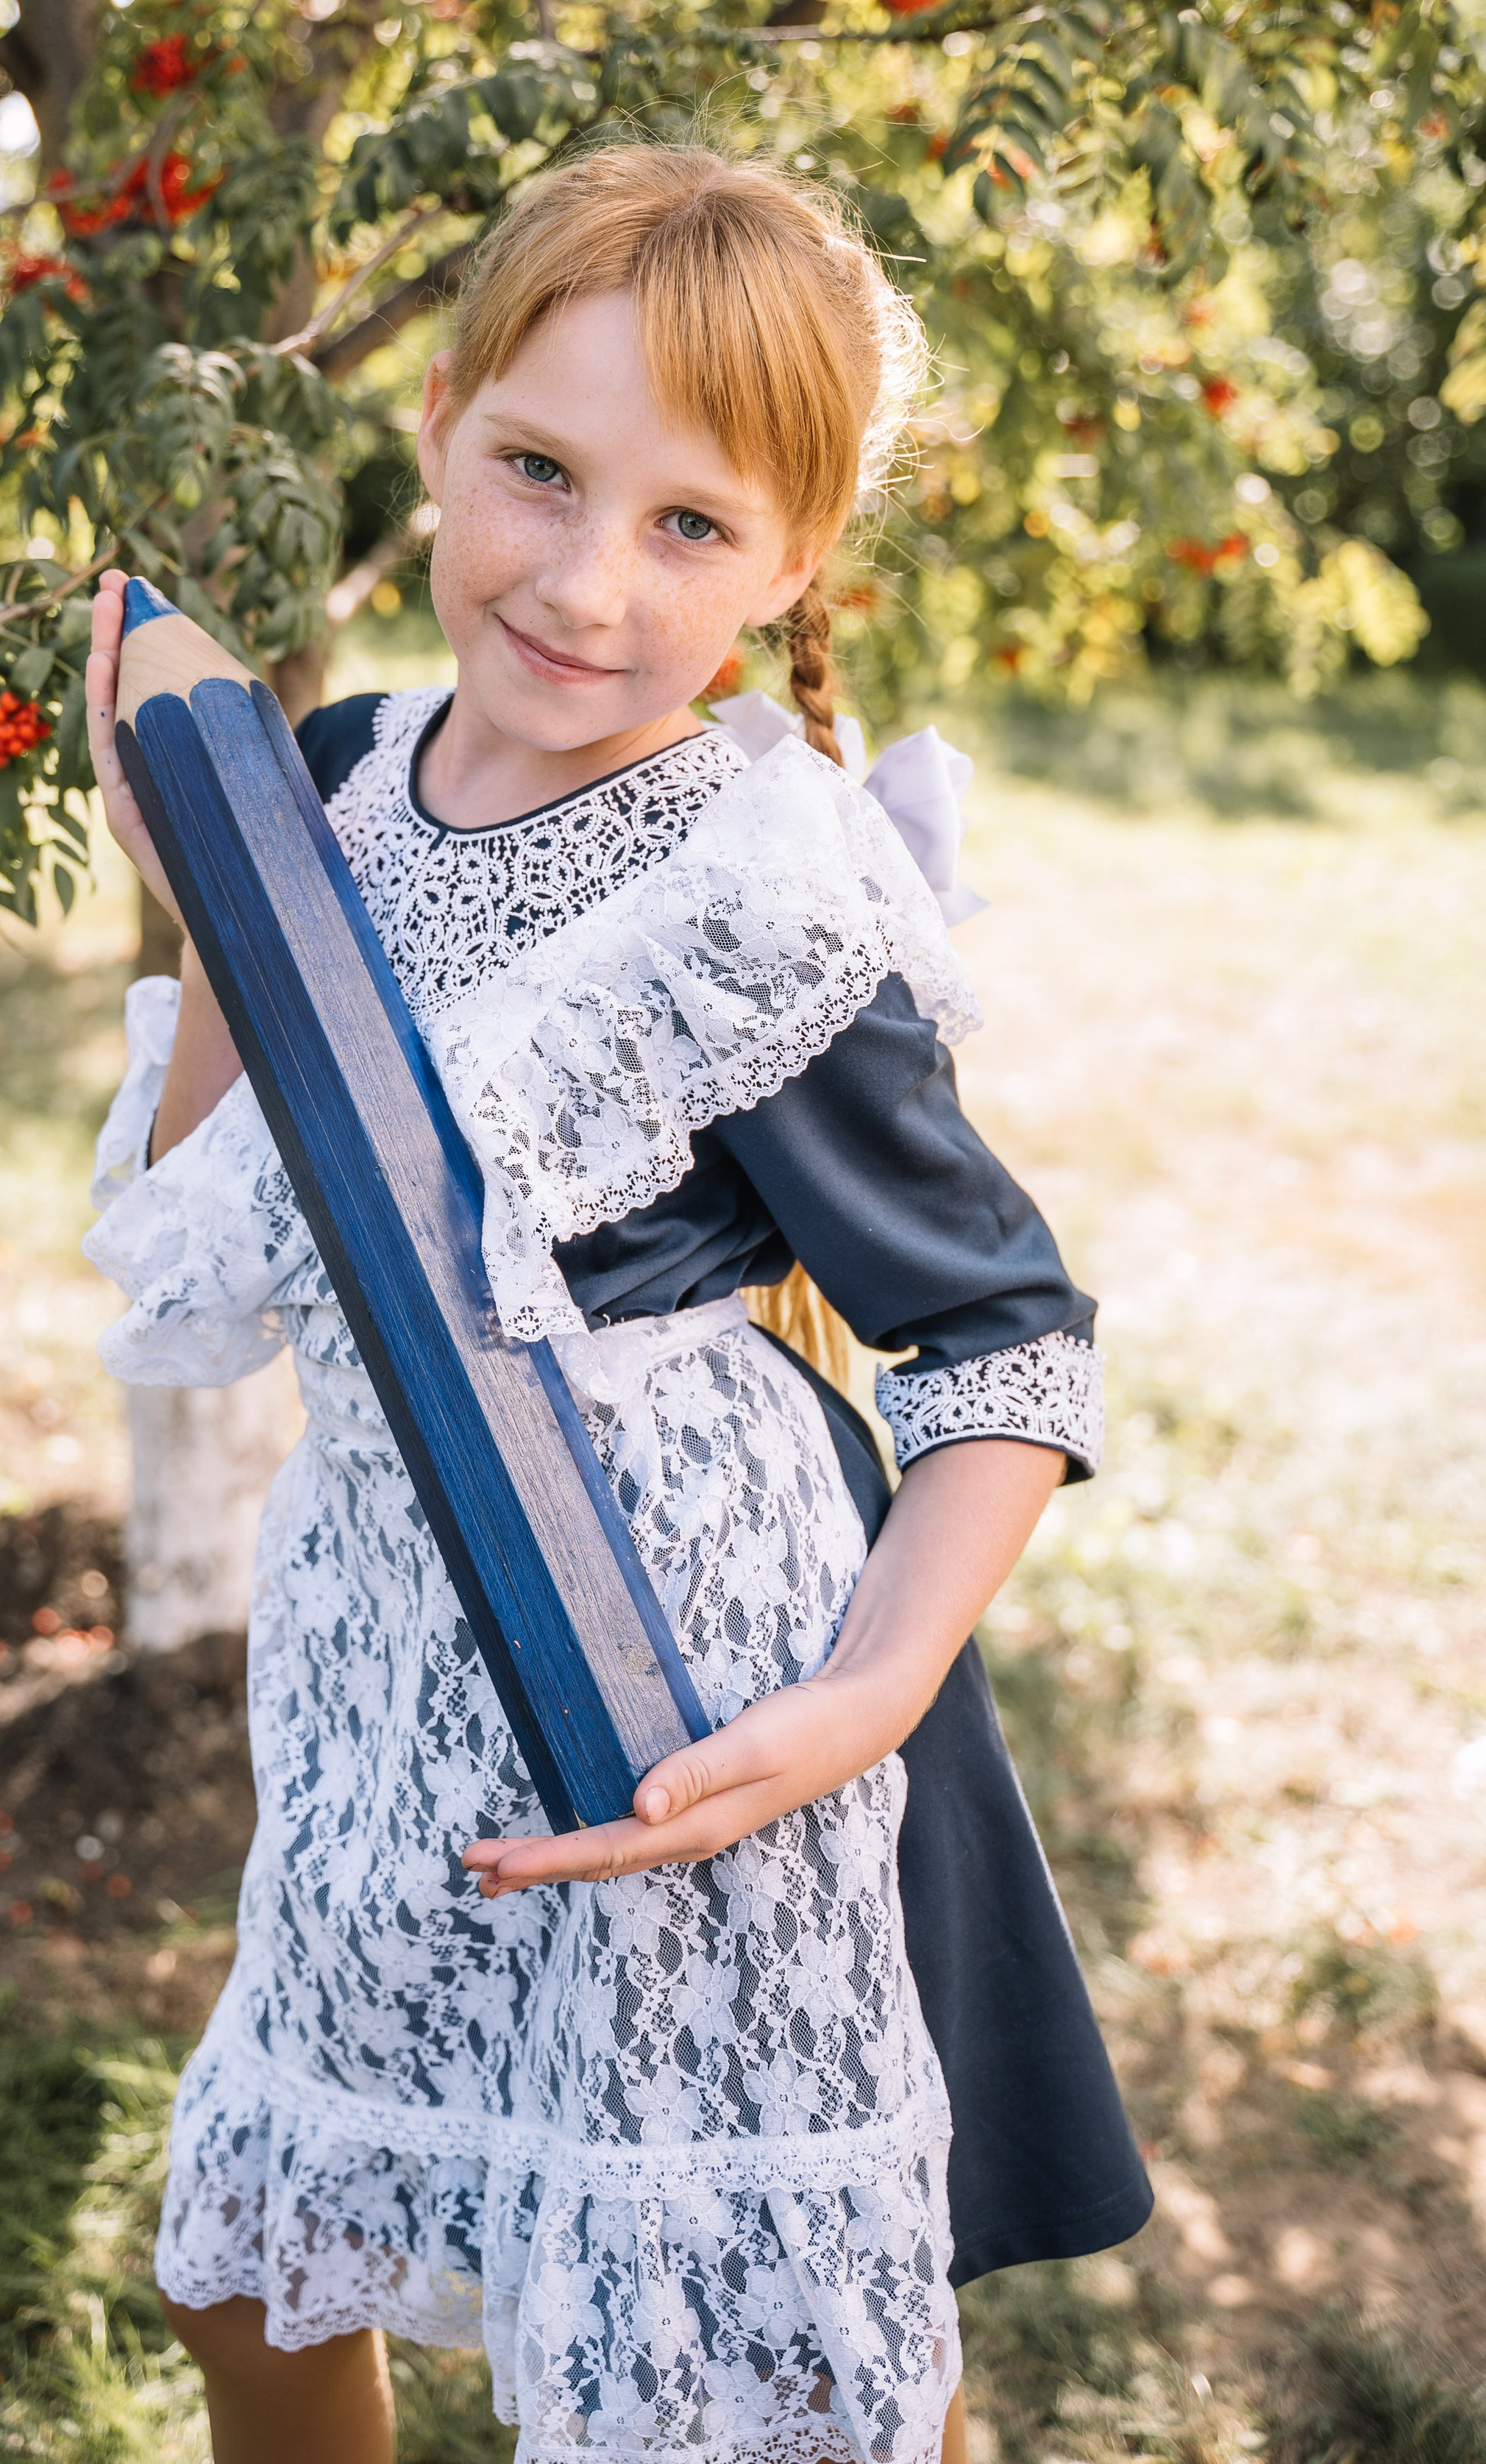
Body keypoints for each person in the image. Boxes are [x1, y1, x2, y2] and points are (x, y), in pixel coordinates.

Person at [82, 143, 1148, 2464]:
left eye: (690, 526)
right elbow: (204, 1274)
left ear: (794, 562)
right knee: (252, 2283)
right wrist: (206, 905)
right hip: (381, 1654)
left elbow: (1006, 1337)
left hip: (674, 1672)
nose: (585, 584)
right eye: (539, 472)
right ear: (438, 420)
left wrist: (867, 1699)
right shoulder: (333, 773)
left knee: (757, 2361)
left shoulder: (762, 896)